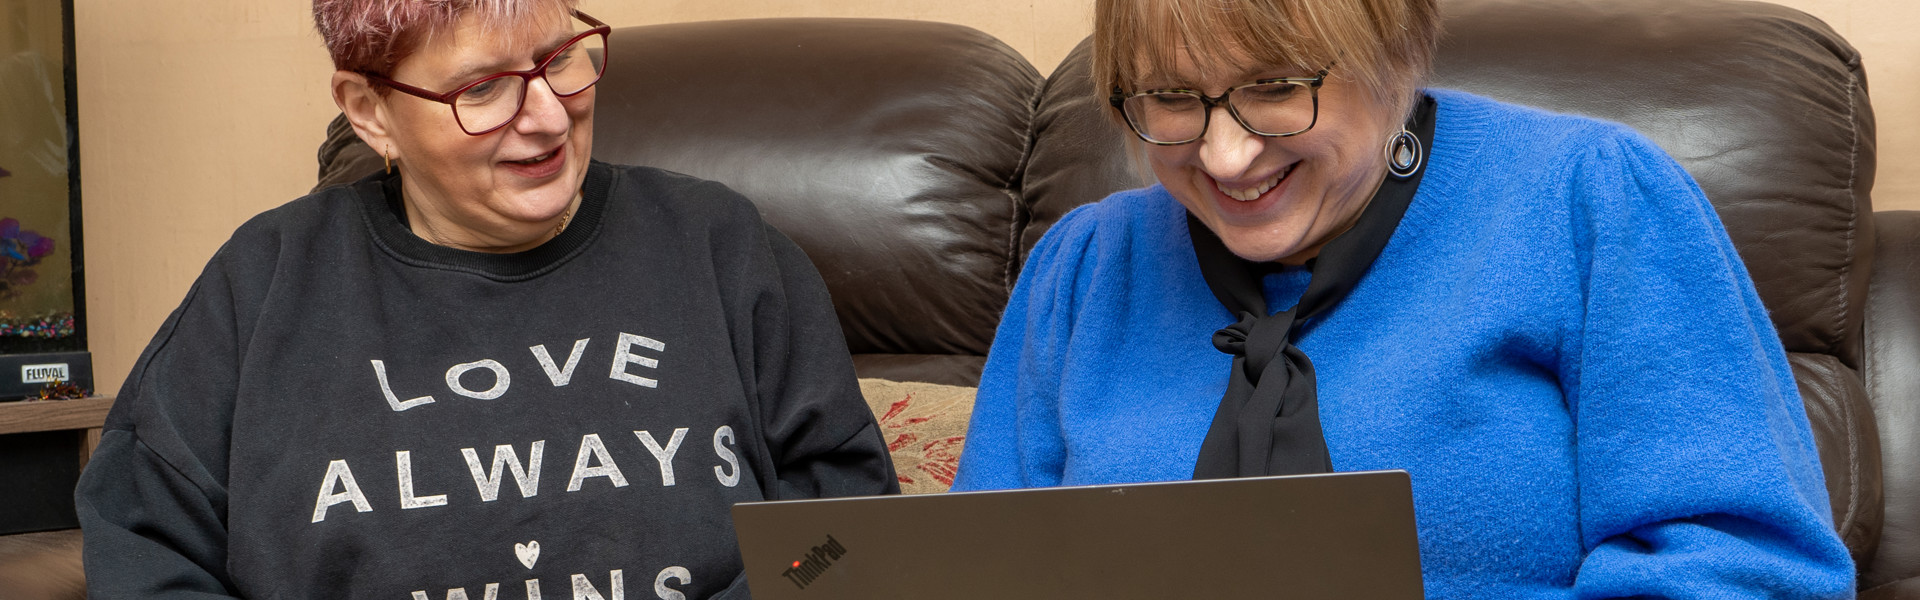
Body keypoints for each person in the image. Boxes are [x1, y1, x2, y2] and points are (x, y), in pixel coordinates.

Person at [950, 0, 1854, 596]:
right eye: (1172, 99)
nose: (1224, 157)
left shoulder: (1590, 199)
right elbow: (976, 574)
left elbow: (1751, 566)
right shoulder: (1081, 267)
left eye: (1275, 87)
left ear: (1396, 53)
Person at [75, 1, 896, 597]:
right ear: (370, 111)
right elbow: (145, 544)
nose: (544, 117)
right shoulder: (261, 284)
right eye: (483, 89)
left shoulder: (720, 245)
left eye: (559, 60)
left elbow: (846, 524)